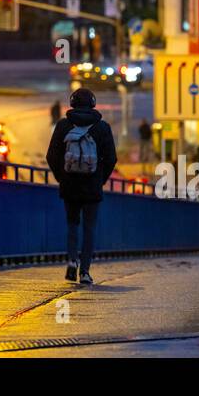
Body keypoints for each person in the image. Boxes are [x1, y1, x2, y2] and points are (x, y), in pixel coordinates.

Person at [46, 88, 118, 284]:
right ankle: (85, 272)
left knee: (72, 224)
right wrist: (100, 179)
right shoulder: (102, 127)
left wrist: (62, 177)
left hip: (70, 185)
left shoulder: (63, 126)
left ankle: (71, 260)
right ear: (93, 103)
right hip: (92, 186)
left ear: (73, 103)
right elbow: (111, 158)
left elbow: (51, 156)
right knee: (89, 228)